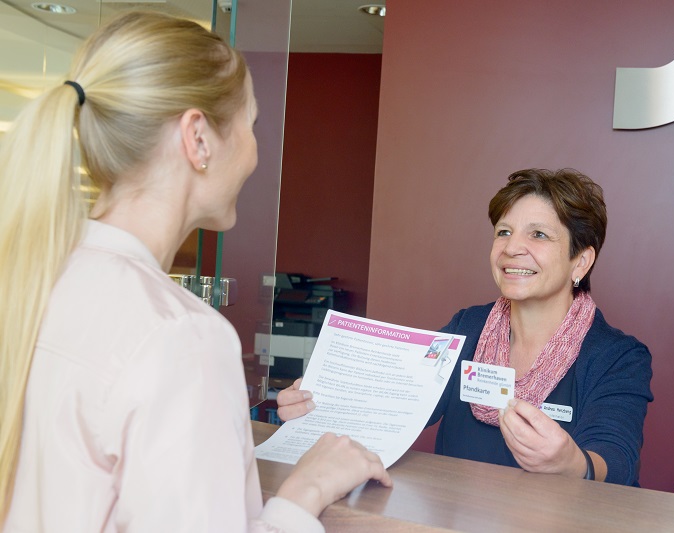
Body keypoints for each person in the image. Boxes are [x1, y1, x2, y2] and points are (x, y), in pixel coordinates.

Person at [0, 11, 390, 533]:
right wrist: (307, 489)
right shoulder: (181, 336)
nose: (254, 154)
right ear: (198, 138)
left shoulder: (33, 283)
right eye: (251, 126)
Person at [279, 168, 653, 486]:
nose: (511, 248)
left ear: (580, 262)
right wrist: (320, 405)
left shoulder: (618, 357)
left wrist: (572, 463)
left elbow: (616, 462)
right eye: (504, 232)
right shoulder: (468, 327)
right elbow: (398, 408)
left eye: (538, 235)